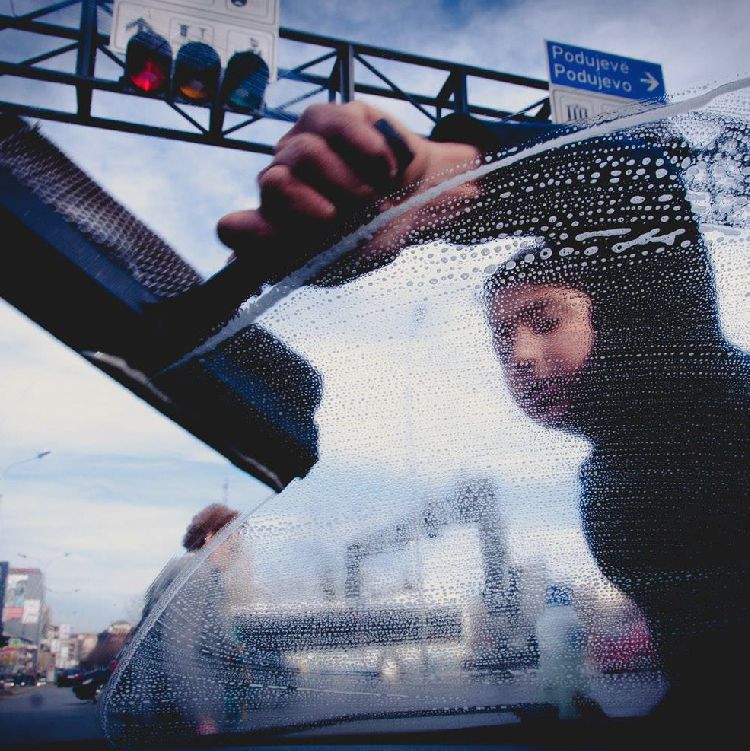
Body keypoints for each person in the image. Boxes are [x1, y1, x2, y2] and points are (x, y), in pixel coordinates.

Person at [215, 101, 749, 729]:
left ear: (627, 313)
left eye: (546, 321)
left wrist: (445, 181)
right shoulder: (612, 479)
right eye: (503, 339)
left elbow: (640, 187)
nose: (520, 356)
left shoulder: (706, 399)